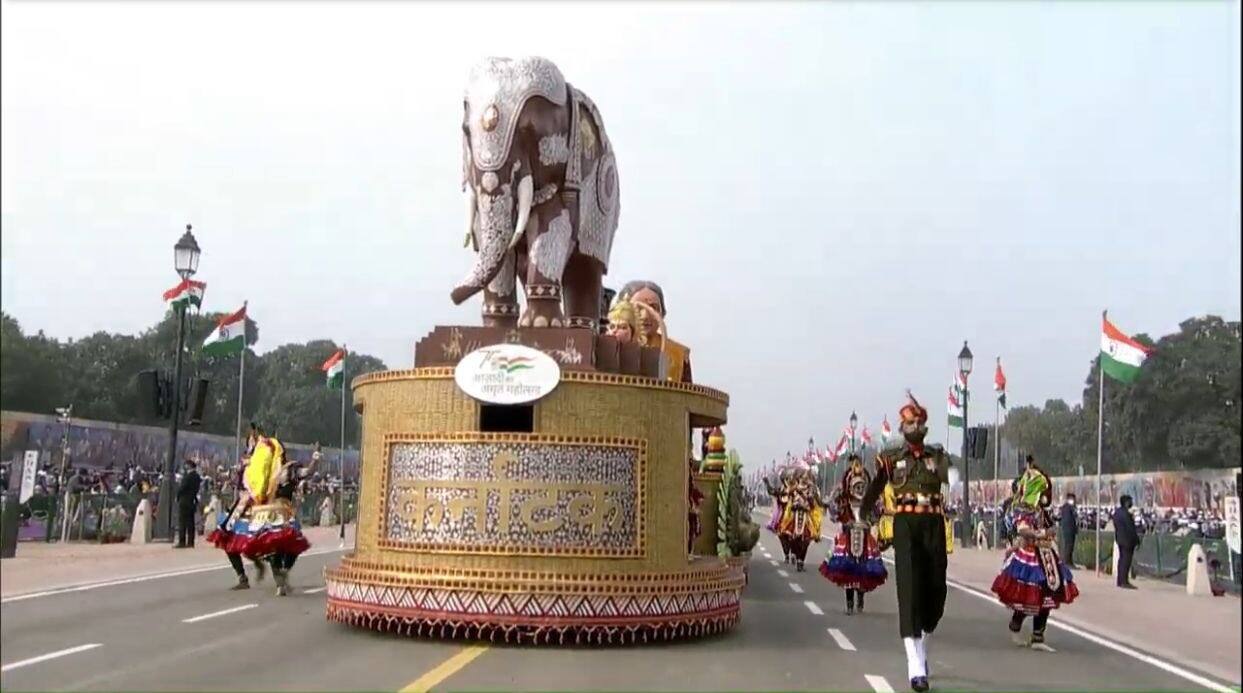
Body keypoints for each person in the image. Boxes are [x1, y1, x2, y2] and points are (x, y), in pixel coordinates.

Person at [860, 393, 949, 693]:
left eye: (920, 421)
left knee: (936, 593)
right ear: (902, 427)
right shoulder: (891, 458)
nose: (916, 425)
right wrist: (863, 514)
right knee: (909, 590)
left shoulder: (937, 456)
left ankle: (923, 648)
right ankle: (915, 665)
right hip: (905, 524)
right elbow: (874, 488)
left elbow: (951, 479)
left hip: (934, 524)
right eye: (910, 422)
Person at [991, 473, 1078, 649]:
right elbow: (1022, 530)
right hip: (1028, 555)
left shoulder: (1041, 510)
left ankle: (1038, 635)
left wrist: (1050, 532)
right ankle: (1016, 624)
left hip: (1046, 555)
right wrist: (1040, 534)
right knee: (1028, 594)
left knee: (1048, 593)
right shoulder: (1021, 508)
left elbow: (1050, 525)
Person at [820, 454, 887, 614]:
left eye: (862, 487)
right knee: (847, 571)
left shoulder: (870, 502)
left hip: (865, 538)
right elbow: (834, 512)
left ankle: (861, 600)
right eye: (856, 487)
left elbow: (877, 514)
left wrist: (872, 518)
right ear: (850, 487)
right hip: (847, 538)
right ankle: (850, 604)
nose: (860, 490)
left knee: (864, 570)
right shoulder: (844, 500)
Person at [616, 280, 692, 383]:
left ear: (662, 313)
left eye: (653, 308)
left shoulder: (678, 354)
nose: (645, 316)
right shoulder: (611, 347)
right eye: (638, 308)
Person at [1113, 494, 1140, 589]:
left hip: (1120, 540)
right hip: (1127, 541)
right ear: (1126, 502)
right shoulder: (1126, 514)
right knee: (1126, 561)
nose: (1131, 503)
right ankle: (1124, 581)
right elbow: (1130, 529)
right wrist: (1137, 540)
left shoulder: (1117, 513)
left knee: (1121, 560)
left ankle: (1120, 580)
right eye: (1130, 501)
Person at [175, 459, 201, 549]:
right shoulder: (197, 476)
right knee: (191, 522)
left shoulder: (187, 476)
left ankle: (182, 541)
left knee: (182, 522)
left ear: (189, 466)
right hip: (192, 500)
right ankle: (190, 541)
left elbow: (182, 487)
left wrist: (178, 495)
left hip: (184, 500)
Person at [1058, 493, 1078, 568]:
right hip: (1068, 530)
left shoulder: (1071, 507)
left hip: (1071, 530)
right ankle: (1067, 562)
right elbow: (1068, 520)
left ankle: (1070, 561)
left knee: (1070, 546)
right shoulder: (1067, 508)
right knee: (1068, 546)